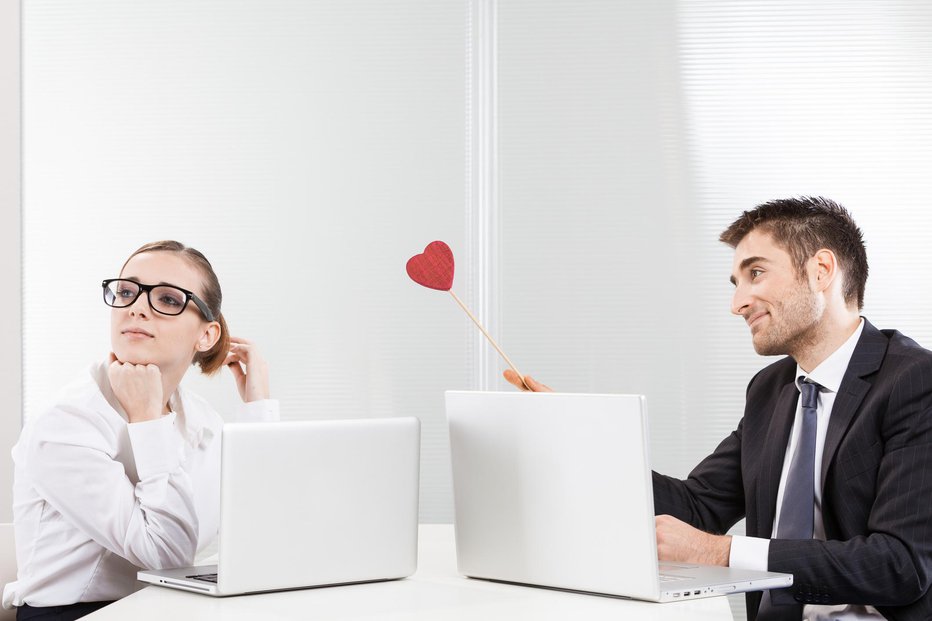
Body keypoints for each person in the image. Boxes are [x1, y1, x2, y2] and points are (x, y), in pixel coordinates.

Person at [504, 197, 932, 620]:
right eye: (736, 284)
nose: (738, 303)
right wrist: (577, 436)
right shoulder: (771, 389)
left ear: (821, 270)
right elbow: (697, 507)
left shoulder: (914, 382)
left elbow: (901, 565)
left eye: (756, 273)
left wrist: (720, 552)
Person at [2, 241, 279, 621]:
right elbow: (165, 555)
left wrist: (256, 407)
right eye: (127, 291)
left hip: (167, 606)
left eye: (167, 299)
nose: (136, 307)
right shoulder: (65, 422)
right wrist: (147, 419)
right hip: (77, 613)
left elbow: (263, 527)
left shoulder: (200, 418)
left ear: (207, 335)